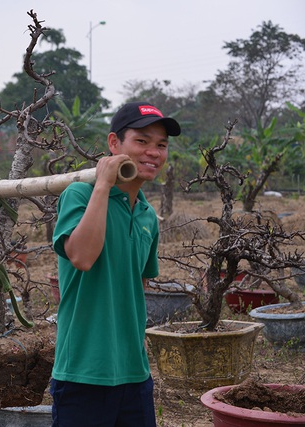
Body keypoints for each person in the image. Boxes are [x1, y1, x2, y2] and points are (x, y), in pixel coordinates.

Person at [50, 102, 181, 426]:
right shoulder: (80, 194)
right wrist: (104, 185)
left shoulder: (148, 215)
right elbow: (81, 257)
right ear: (114, 144)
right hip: (82, 371)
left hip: (134, 373)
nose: (153, 152)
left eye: (161, 145)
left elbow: (140, 283)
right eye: (142, 141)